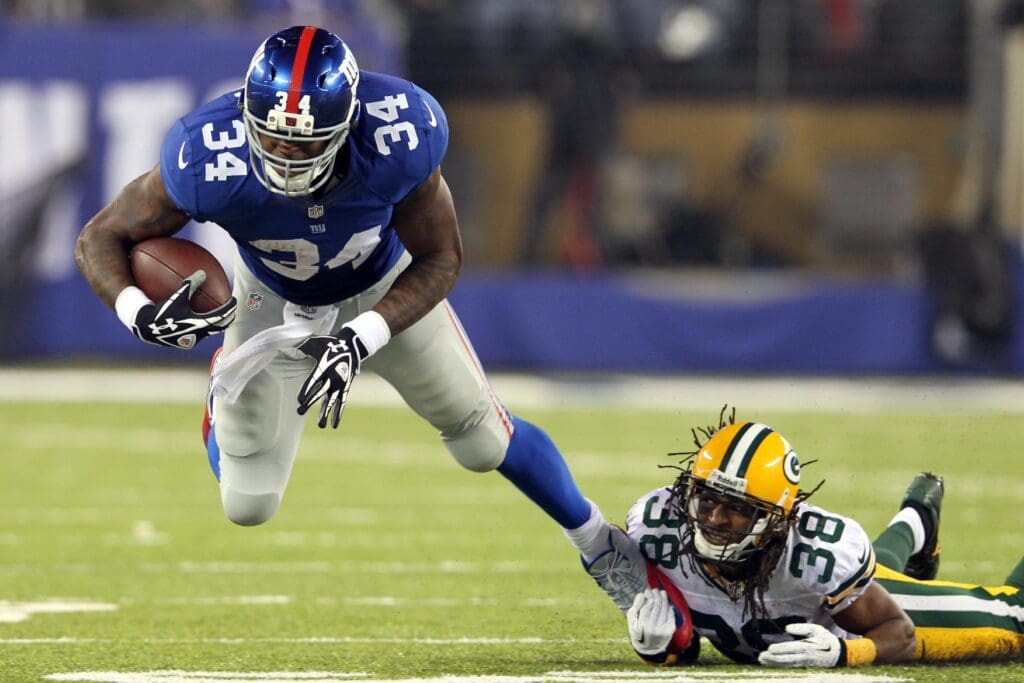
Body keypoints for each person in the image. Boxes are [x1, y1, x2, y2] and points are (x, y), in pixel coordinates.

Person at [73, 25, 647, 608]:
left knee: (481, 436)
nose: (284, 156)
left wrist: (360, 337)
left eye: (305, 144)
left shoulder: (397, 136)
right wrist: (137, 311)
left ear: (347, 124)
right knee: (248, 505)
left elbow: (442, 257)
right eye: (271, 137)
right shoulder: (206, 154)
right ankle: (224, 399)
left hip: (382, 287)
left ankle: (599, 543)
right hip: (269, 299)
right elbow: (100, 236)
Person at [611, 410, 1024, 667]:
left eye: (736, 507)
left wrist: (845, 653)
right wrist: (659, 647)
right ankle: (917, 516)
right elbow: (687, 648)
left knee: (1017, 618)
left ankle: (916, 518)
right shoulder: (660, 530)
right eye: (707, 500)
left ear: (774, 518)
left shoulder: (816, 555)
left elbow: (898, 631)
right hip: (837, 597)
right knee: (861, 583)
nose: (715, 519)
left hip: (850, 612)